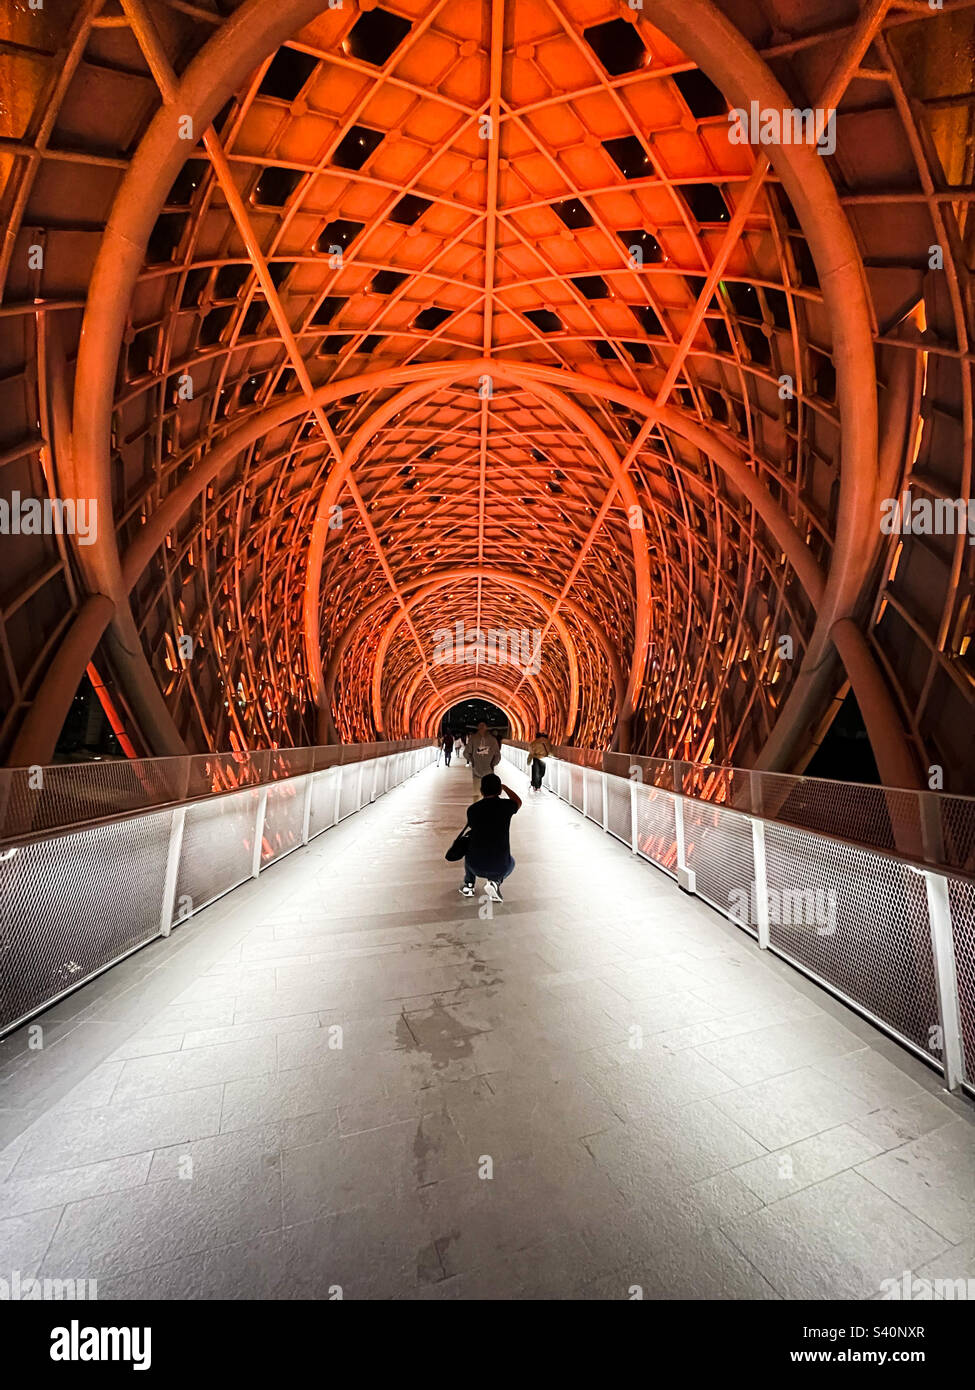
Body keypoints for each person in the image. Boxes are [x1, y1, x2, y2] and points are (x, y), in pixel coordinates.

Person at [458, 774, 521, 902]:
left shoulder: (472, 809)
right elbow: (518, 802)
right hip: (500, 865)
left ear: (481, 791)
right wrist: (506, 788)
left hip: (474, 865)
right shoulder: (506, 806)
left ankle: (469, 885)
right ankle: (495, 881)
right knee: (512, 862)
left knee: (469, 850)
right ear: (499, 791)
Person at [464, 720, 500, 798]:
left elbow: (466, 753)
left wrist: (473, 761)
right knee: (489, 795)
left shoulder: (473, 739)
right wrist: (492, 764)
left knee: (477, 795)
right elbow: (497, 755)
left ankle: (478, 809)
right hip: (488, 772)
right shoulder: (493, 740)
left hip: (477, 770)